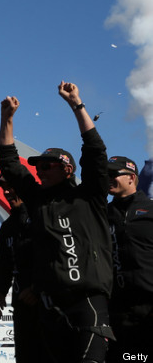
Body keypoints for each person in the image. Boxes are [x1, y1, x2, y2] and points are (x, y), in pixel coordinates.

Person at [0, 83, 113, 362]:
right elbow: (9, 163)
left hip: (87, 301)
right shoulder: (37, 200)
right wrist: (7, 119)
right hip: (49, 304)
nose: (40, 171)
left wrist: (76, 104)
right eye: (38, 166)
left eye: (48, 166)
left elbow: (95, 151)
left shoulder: (89, 195)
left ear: (67, 170)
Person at [0, 177, 41, 363]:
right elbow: (4, 264)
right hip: (21, 304)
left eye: (12, 187)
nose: (7, 192)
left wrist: (37, 288)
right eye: (5, 188)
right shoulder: (8, 226)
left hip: (48, 303)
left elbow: (58, 258)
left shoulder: (43, 217)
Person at [105, 155, 153, 362]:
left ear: (132, 177)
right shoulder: (103, 214)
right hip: (117, 312)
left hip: (150, 308)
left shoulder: (151, 210)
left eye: (113, 174)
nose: (107, 178)